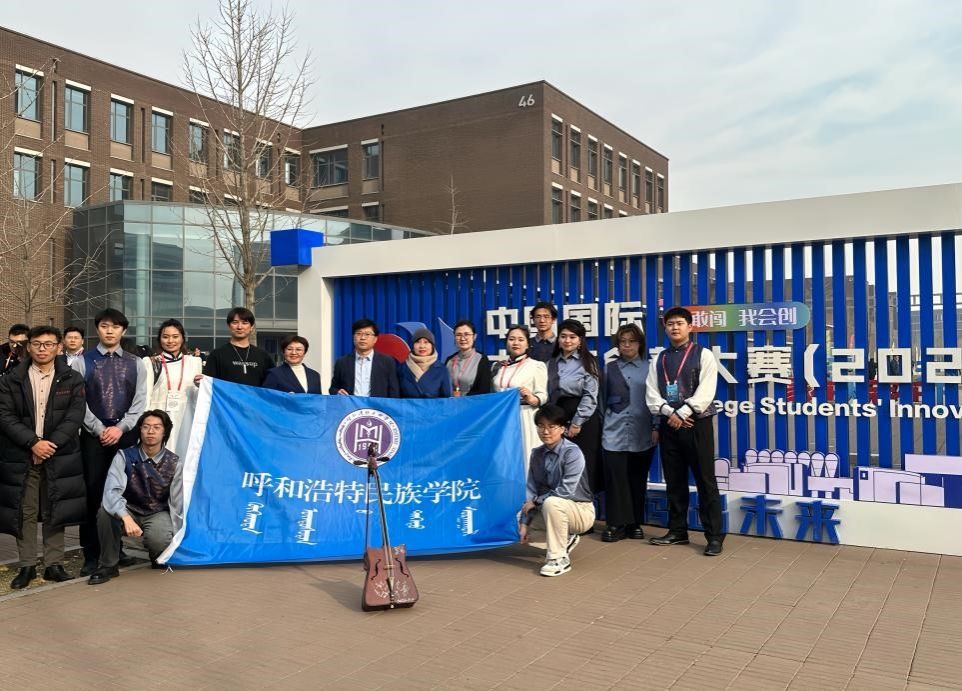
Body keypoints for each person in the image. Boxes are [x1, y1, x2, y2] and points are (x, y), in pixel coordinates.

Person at [0, 326, 86, 588]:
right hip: (22, 454)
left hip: (59, 455)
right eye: (37, 344)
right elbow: (5, 415)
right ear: (28, 347)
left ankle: (54, 564)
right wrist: (33, 444)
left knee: (54, 509)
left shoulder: (72, 378)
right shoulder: (11, 378)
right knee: (25, 511)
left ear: (59, 347)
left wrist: (49, 446)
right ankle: (27, 565)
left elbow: (74, 416)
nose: (42, 349)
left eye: (49, 344)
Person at [70, 308, 147, 576]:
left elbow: (139, 402)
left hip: (125, 437)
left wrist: (121, 428)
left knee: (120, 493)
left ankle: (117, 550)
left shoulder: (136, 363)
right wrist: (101, 428)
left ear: (123, 331)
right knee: (93, 495)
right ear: (97, 329)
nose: (110, 331)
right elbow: (78, 402)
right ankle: (91, 555)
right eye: (104, 326)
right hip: (94, 437)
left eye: (115, 326)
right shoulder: (82, 362)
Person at [645, 306, 724, 556]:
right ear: (665, 328)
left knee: (705, 481)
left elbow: (707, 390)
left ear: (690, 327)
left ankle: (714, 536)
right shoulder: (659, 358)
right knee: (674, 481)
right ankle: (677, 531)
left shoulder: (704, 355)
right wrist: (671, 413)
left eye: (679, 323)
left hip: (697, 425)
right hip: (670, 425)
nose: (675, 327)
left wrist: (684, 413)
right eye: (670, 324)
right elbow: (651, 393)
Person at [88, 410, 183, 585]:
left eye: (156, 427)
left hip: (157, 512)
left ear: (165, 432)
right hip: (128, 509)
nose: (151, 431)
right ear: (140, 430)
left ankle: (159, 556)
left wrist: (177, 541)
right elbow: (111, 491)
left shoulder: (175, 462)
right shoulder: (124, 455)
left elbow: (177, 504)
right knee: (104, 512)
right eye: (146, 427)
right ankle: (109, 564)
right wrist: (125, 517)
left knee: (159, 541)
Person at [518, 404, 595, 577]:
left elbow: (566, 491)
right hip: (550, 509)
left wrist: (536, 501)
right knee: (518, 524)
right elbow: (531, 489)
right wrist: (524, 523)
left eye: (551, 426)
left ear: (562, 429)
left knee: (552, 503)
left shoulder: (572, 453)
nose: (545, 431)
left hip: (580, 510)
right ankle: (566, 539)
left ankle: (558, 559)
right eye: (541, 426)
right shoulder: (537, 454)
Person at [601, 323, 658, 543]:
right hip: (613, 433)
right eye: (622, 341)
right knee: (616, 481)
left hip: (642, 433)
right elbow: (601, 400)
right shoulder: (610, 368)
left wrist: (656, 427)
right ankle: (615, 524)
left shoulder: (650, 368)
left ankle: (634, 523)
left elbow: (657, 400)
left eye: (631, 341)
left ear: (640, 343)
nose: (627, 345)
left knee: (637, 479)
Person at [547, 319, 602, 493]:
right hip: (558, 417)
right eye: (563, 336)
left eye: (572, 337)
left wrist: (577, 422)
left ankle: (584, 505)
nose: (567, 340)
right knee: (561, 463)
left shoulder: (588, 361)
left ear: (580, 340)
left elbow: (590, 395)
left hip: (583, 418)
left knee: (584, 464)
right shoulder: (551, 363)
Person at [143, 319, 204, 458]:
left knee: (185, 457)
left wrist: (200, 386)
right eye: (165, 337)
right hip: (159, 418)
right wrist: (146, 425)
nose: (170, 341)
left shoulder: (194, 362)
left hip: (186, 418)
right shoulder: (151, 362)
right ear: (159, 339)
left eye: (175, 336)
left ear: (182, 338)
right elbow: (145, 396)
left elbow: (198, 397)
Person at [491, 325, 547, 471]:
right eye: (512, 339)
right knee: (503, 459)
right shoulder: (498, 367)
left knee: (525, 458)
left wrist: (531, 397)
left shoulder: (536, 366)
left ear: (527, 344)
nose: (516, 343)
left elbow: (543, 396)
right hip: (502, 418)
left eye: (521, 339)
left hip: (524, 416)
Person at [203, 308, 274, 386]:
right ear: (229, 326)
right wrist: (201, 382)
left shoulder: (263, 356)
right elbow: (209, 385)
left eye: (244, 323)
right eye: (235, 322)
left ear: (251, 327)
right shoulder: (216, 355)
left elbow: (272, 385)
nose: (239, 327)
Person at [329, 319, 399, 397]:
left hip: (376, 405)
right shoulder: (342, 362)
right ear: (353, 337)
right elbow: (333, 388)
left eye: (367, 334)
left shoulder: (387, 362)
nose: (362, 338)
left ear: (375, 339)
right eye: (358, 333)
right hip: (350, 404)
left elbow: (394, 391)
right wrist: (337, 392)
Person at [398, 328, 452, 398]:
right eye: (418, 342)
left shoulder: (441, 369)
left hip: (432, 405)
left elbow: (446, 398)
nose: (422, 346)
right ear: (413, 346)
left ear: (432, 346)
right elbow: (396, 396)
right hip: (407, 405)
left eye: (426, 342)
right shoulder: (402, 368)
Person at [445, 320, 493, 397]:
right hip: (451, 403)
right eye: (458, 335)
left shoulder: (482, 359)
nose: (462, 338)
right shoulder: (449, 360)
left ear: (474, 336)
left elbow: (484, 390)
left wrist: (463, 399)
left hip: (472, 403)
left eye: (466, 334)